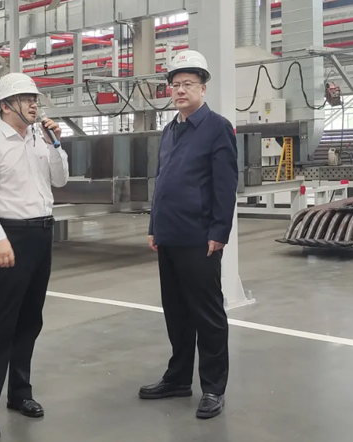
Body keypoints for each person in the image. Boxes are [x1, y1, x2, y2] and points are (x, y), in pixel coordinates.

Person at [0, 72, 69, 439]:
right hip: (9, 236)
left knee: (29, 321)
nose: (34, 105)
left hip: (41, 234)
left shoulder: (40, 140)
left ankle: (19, 393)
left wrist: (56, 143)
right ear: (6, 106)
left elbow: (61, 180)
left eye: (35, 99)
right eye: (27, 99)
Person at [139, 50, 239, 420]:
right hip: (170, 234)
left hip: (200, 237)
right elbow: (162, 181)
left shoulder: (217, 127)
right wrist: (155, 226)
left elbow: (225, 185)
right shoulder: (170, 130)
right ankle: (178, 378)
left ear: (203, 88)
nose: (180, 90)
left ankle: (213, 387)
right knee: (176, 313)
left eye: (188, 84)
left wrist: (219, 231)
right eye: (175, 84)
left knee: (207, 315)